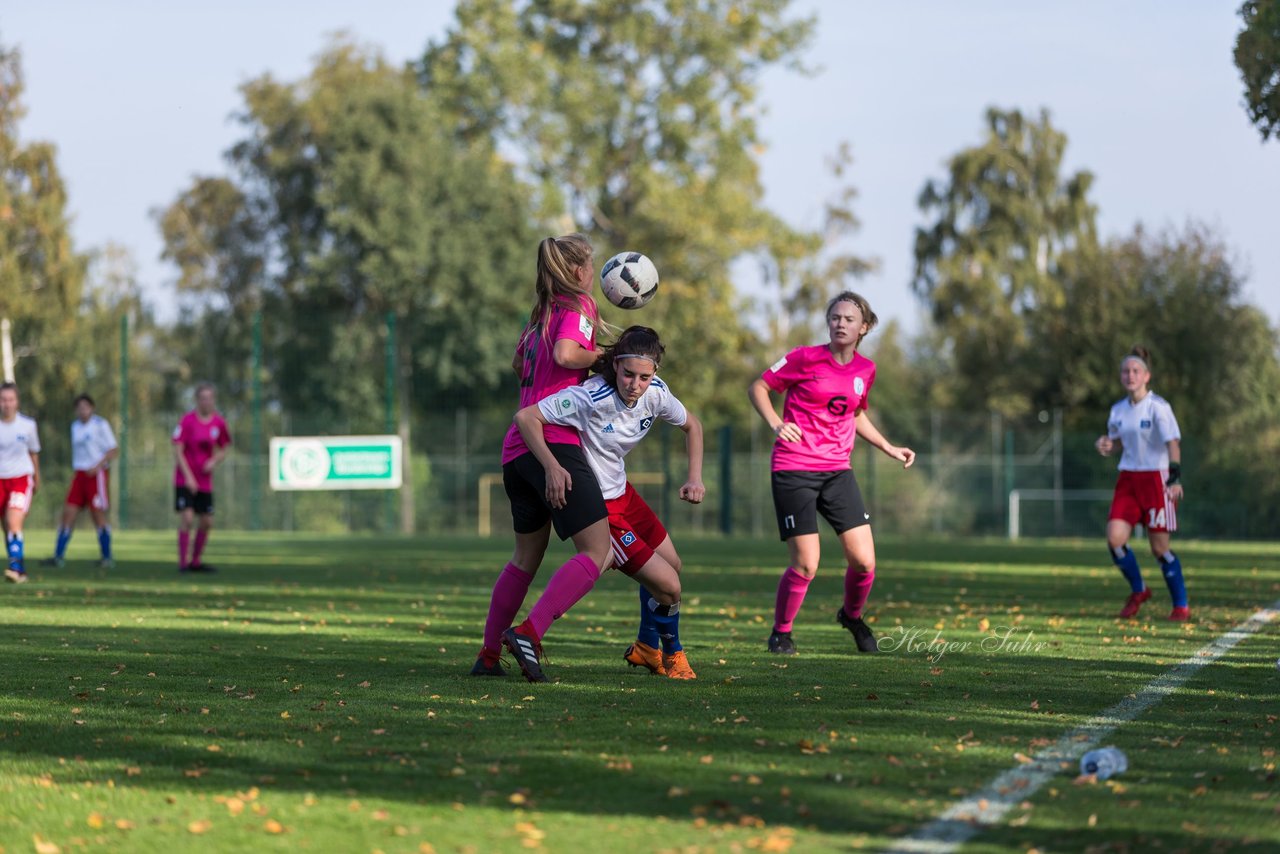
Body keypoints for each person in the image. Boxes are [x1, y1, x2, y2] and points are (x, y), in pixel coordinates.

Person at [512, 326, 705, 680]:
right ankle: (672, 654)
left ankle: (646, 647)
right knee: (669, 587)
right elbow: (526, 418)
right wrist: (552, 466)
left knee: (672, 565)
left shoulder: (657, 394)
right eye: (628, 373)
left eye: (644, 377)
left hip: (624, 493)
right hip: (602, 506)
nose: (635, 383)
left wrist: (695, 477)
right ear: (614, 365)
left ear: (655, 374)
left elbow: (693, 425)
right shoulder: (590, 396)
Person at [471, 234, 614, 682]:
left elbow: (521, 365)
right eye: (591, 266)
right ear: (578, 271)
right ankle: (529, 634)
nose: (593, 273)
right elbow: (567, 354)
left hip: (517, 449)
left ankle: (489, 657)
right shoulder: (579, 306)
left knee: (524, 558)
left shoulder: (539, 317)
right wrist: (611, 359)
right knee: (598, 550)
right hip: (551, 441)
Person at [747, 291, 915, 656]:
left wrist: (888, 447)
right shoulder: (804, 358)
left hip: (838, 472)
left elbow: (854, 414)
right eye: (835, 317)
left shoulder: (865, 370)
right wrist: (776, 423)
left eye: (849, 319)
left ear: (864, 328)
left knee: (865, 561)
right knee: (807, 564)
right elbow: (758, 387)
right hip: (793, 468)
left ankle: (852, 616)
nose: (840, 323)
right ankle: (781, 633)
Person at [1095, 345, 1188, 621]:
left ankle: (1181, 604)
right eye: (1125, 371)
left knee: (1159, 548)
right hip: (1128, 479)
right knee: (1115, 540)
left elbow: (1173, 443)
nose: (1130, 375)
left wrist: (1174, 479)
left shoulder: (1159, 407)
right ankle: (1139, 590)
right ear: (1121, 376)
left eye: (1135, 370)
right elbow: (1117, 444)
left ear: (1146, 376)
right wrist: (1106, 445)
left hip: (1156, 479)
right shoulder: (1118, 410)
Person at [45, 394, 118, 569]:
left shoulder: (100, 425)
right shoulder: (75, 426)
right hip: (79, 475)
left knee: (97, 515)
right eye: (79, 407)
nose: (82, 410)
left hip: (97, 475)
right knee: (68, 513)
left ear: (92, 408)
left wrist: (97, 466)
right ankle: (58, 556)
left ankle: (107, 557)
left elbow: (113, 450)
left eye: (86, 407)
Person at [173, 383, 231, 573]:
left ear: (214, 400)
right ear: (197, 400)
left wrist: (214, 461)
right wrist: (189, 477)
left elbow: (225, 447)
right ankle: (183, 563)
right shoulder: (187, 421)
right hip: (185, 479)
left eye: (210, 398)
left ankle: (195, 561)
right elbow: (178, 450)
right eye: (203, 398)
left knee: (207, 522)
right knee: (188, 518)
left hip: (205, 481)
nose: (206, 401)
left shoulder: (219, 423)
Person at [0, 382, 41, 584]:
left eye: (10, 399)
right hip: (0, 480)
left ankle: (15, 567)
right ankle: (20, 569)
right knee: (5, 526)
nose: (7, 404)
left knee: (13, 521)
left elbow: (34, 453)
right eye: (3, 400)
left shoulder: (28, 425)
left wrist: (37, 477)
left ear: (17, 402)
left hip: (21, 478)